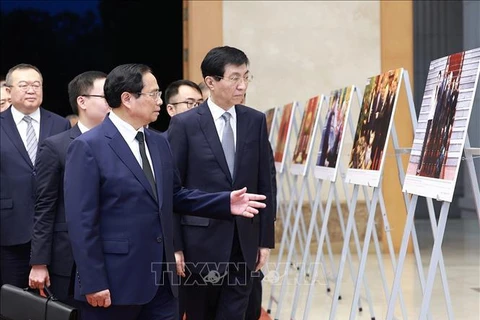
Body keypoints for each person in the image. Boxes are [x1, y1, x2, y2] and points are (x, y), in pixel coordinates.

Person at [63, 63, 267, 320]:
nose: (159, 101)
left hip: (162, 281)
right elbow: (81, 222)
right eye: (153, 94)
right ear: (127, 98)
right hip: (115, 282)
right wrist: (93, 281)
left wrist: (224, 202)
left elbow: (175, 195)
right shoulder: (88, 147)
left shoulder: (158, 142)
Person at [168, 46, 275, 320]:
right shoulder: (185, 125)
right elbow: (172, 191)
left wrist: (265, 240)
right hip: (199, 244)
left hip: (244, 241)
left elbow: (266, 183)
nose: (242, 85)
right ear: (211, 82)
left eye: (246, 77)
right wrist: (175, 246)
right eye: (235, 77)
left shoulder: (255, 120)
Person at [28, 71, 110, 304]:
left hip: (114, 250)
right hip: (68, 254)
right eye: (105, 96)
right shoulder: (56, 146)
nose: (112, 102)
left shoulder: (121, 143)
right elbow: (44, 206)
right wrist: (39, 262)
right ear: (81, 101)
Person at [0, 63, 70, 289]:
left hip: (54, 229)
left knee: (56, 303)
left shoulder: (60, 124)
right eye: (24, 85)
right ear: (8, 91)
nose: (31, 90)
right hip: (10, 230)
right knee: (14, 302)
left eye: (36, 85)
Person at [164, 79, 204, 320]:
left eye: (200, 103)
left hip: (202, 245)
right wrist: (175, 246)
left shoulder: (206, 144)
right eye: (190, 103)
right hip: (173, 246)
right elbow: (169, 200)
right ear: (170, 109)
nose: (197, 109)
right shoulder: (159, 144)